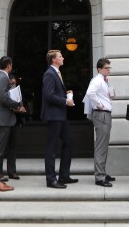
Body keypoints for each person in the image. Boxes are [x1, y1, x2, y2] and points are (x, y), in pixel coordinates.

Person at [0, 56, 24, 192]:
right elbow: (4, 98)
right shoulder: (3, 78)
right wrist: (18, 105)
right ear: (9, 65)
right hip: (1, 119)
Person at [42, 50, 77, 189]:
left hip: (60, 116)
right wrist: (65, 101)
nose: (63, 58)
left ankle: (64, 175)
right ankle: (51, 179)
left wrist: (65, 94)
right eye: (60, 56)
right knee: (51, 148)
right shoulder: (49, 74)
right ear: (54, 60)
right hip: (54, 116)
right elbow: (49, 96)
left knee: (69, 142)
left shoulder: (56, 73)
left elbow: (54, 92)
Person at [84, 58, 116, 187]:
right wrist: (99, 105)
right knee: (101, 146)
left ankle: (102, 172)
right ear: (99, 69)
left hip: (105, 115)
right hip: (101, 114)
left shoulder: (104, 80)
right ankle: (100, 177)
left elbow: (106, 95)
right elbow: (90, 93)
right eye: (106, 68)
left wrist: (110, 94)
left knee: (103, 145)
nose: (108, 69)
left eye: (109, 68)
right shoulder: (97, 80)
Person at [5, 73, 22, 180]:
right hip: (5, 121)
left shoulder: (17, 91)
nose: (13, 83)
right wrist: (14, 108)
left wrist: (21, 108)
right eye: (11, 81)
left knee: (13, 147)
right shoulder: (3, 90)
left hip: (15, 121)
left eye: (14, 81)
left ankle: (12, 171)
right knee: (0, 148)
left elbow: (20, 103)